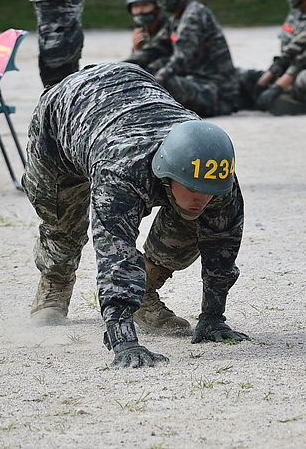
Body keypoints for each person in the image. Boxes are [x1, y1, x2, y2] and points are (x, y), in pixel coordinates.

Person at [23, 62, 249, 368]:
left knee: (196, 220)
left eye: (207, 191)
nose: (202, 198)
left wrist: (212, 317)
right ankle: (56, 281)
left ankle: (145, 292)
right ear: (168, 174)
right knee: (62, 220)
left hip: (135, 92)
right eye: (192, 189)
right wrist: (123, 340)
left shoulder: (213, 171)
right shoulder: (121, 170)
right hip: (64, 116)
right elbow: (116, 252)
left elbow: (222, 242)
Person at [146, 0, 240, 118]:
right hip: (198, 85)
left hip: (218, 94)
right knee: (147, 71)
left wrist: (159, 78)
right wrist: (124, 65)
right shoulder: (175, 20)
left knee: (166, 83)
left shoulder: (193, 14)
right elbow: (154, 49)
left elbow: (183, 56)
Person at [237, 0, 306, 109]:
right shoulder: (296, 12)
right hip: (282, 71)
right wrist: (266, 79)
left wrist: (277, 85)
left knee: (281, 98)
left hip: (302, 76)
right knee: (243, 76)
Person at [123, 0, 168, 74]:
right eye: (136, 6)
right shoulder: (142, 31)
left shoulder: (168, 28)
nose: (140, 10)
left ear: (156, 6)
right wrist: (136, 48)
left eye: (145, 5)